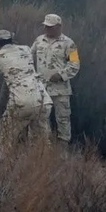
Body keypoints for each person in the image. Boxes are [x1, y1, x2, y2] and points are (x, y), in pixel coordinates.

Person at [0, 30, 52, 154]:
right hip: (43, 99)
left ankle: (4, 168)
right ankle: (43, 167)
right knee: (41, 141)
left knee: (4, 137)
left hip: (22, 102)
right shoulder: (26, 49)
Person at [31, 14, 81, 144]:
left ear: (59, 27)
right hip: (41, 88)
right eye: (46, 26)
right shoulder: (38, 41)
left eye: (50, 27)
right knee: (40, 118)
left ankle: (63, 147)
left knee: (63, 118)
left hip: (60, 90)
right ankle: (43, 147)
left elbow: (75, 64)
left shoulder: (69, 43)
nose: (47, 29)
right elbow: (29, 57)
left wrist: (61, 74)